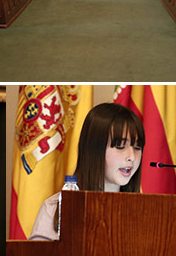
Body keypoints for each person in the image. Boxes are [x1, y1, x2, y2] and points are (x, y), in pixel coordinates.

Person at [29, 101, 145, 240]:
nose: (132, 157)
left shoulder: (145, 211)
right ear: (94, 149)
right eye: (120, 146)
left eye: (137, 148)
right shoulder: (55, 209)